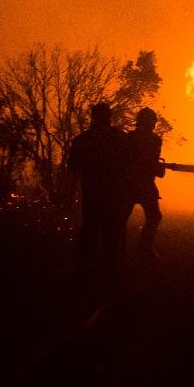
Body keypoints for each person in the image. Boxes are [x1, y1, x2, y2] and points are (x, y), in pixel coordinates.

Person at [67, 102, 128, 277]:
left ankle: (83, 269)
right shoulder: (119, 138)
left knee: (90, 229)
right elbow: (129, 165)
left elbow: (72, 167)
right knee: (111, 232)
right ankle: (108, 271)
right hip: (113, 194)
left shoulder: (82, 140)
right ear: (109, 117)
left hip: (91, 192)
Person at [123, 107, 165, 259]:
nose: (153, 124)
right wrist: (157, 169)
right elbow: (146, 162)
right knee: (154, 216)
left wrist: (156, 168)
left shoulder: (129, 138)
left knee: (122, 218)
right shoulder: (154, 140)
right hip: (141, 184)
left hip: (132, 184)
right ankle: (143, 248)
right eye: (152, 121)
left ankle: (121, 248)